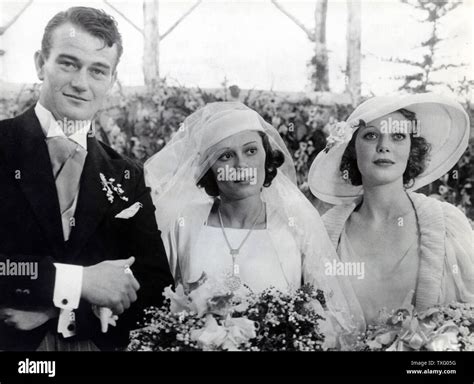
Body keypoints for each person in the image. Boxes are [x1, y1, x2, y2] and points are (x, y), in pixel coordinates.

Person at [0, 6, 173, 351]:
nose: (81, 83)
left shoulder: (126, 174)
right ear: (40, 64)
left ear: (111, 80)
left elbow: (155, 288)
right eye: (68, 63)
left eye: (97, 70)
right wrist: (77, 280)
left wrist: (56, 308)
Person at [145, 102, 361, 342]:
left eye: (250, 151)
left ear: (266, 156)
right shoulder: (184, 223)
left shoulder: (296, 225)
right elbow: (156, 306)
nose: (241, 166)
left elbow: (330, 314)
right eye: (225, 156)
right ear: (209, 168)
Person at [308, 93, 474, 327]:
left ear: (411, 149)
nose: (384, 146)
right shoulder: (326, 233)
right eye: (371, 136)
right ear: (352, 149)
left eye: (397, 136)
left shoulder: (447, 225)